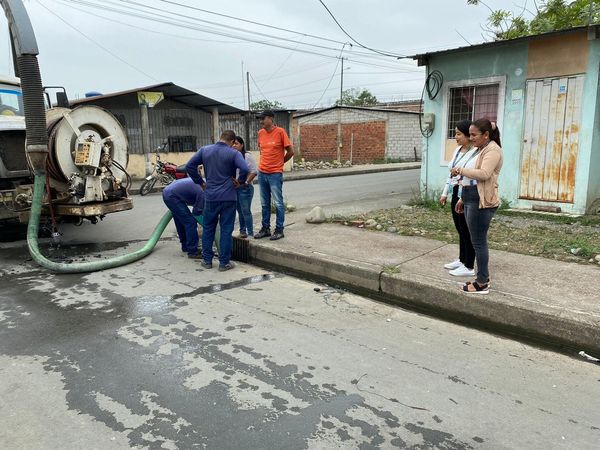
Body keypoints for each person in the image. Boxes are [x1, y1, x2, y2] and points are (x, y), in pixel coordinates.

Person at [452, 119, 503, 295]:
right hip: (471, 196)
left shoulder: (493, 150)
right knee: (476, 240)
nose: (471, 138)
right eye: (470, 134)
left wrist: (460, 170)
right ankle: (481, 279)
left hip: (481, 200)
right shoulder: (482, 149)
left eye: (474, 135)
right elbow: (473, 179)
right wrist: (462, 198)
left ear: (486, 135)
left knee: (479, 242)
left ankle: (482, 282)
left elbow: (484, 174)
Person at [186, 130, 249, 271]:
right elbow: (245, 168)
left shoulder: (205, 150)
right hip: (229, 197)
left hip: (211, 197)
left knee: (208, 228)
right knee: (226, 230)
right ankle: (224, 263)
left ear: (220, 138)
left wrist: (200, 182)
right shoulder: (234, 153)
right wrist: (240, 182)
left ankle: (207, 261)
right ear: (232, 142)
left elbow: (189, 166)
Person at [440, 119, 478, 277]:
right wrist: (445, 193)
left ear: (468, 135)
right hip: (455, 190)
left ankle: (469, 266)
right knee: (460, 228)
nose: (455, 137)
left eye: (458, 134)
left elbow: (472, 175)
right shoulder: (457, 150)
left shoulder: (475, 153)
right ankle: (462, 259)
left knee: (467, 229)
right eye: (455, 134)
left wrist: (462, 196)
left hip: (466, 192)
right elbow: (451, 173)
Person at [253, 110, 294, 241]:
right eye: (260, 119)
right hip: (262, 173)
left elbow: (291, 151)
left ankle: (279, 230)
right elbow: (263, 151)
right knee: (264, 203)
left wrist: (280, 163)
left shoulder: (280, 132)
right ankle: (265, 229)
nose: (261, 121)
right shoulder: (260, 133)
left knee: (278, 203)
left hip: (275, 174)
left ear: (271, 118)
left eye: (263, 118)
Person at [161, 177, 205, 259]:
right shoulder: (203, 192)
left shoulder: (204, 183)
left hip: (169, 192)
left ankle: (185, 246)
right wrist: (205, 223)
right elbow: (196, 212)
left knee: (180, 219)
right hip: (172, 196)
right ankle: (193, 251)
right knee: (190, 222)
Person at [232, 136, 258, 238]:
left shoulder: (247, 156)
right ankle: (243, 231)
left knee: (246, 211)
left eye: (236, 143)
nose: (234, 146)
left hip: (245, 188)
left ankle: (250, 233)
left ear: (242, 145)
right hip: (235, 188)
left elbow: (254, 171)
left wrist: (245, 183)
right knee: (240, 211)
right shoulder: (232, 156)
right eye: (233, 143)